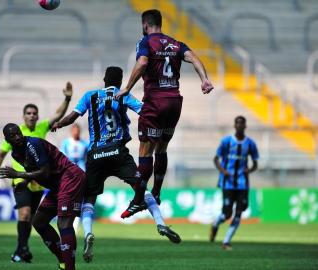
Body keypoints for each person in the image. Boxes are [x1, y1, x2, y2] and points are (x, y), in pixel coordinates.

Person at [52, 66, 181, 264]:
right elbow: (145, 112)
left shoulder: (90, 95)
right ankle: (160, 223)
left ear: (104, 79)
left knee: (89, 198)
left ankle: (88, 233)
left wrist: (59, 124)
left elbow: (73, 117)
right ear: (121, 81)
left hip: (96, 154)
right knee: (141, 188)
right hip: (118, 152)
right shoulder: (123, 95)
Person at [115, 9, 214, 218]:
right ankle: (157, 192)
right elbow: (194, 58)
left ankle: (138, 199)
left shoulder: (146, 43)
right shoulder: (176, 43)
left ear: (145, 25)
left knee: (145, 150)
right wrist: (204, 79)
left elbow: (142, 63)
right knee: (162, 147)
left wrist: (127, 88)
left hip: (155, 101)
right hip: (174, 102)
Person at [0, 82, 73, 263]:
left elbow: (58, 114)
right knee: (25, 214)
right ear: (23, 116)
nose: (32, 116)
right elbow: (1, 153)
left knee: (33, 218)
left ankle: (24, 249)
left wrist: (67, 98)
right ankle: (21, 248)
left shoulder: (41, 128)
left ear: (37, 116)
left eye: (34, 113)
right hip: (20, 181)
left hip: (38, 181)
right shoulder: (15, 133)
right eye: (28, 113)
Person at [0, 123, 85, 270]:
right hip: (58, 184)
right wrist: (25, 181)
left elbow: (45, 172)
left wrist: (18, 175)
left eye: (18, 133)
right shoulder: (16, 154)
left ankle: (70, 267)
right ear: (7, 140)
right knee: (39, 222)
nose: (18, 137)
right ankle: (63, 261)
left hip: (69, 177)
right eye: (13, 136)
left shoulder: (33, 144)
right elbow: (35, 170)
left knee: (63, 223)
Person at [209, 116, 259, 250]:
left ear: (245, 126)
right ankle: (215, 224)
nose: (240, 126)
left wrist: (249, 170)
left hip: (242, 183)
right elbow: (216, 159)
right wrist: (223, 170)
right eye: (238, 123)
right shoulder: (226, 141)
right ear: (234, 125)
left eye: (242, 124)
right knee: (226, 214)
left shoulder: (250, 144)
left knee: (239, 212)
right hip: (228, 183)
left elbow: (255, 164)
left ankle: (226, 241)